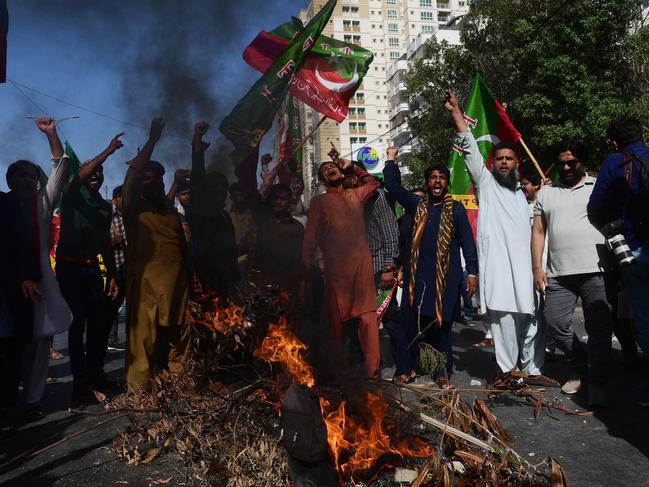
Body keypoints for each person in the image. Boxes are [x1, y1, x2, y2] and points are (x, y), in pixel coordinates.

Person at [444, 91, 557, 386]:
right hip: (500, 271)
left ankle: (532, 370)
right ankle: (508, 372)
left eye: (509, 159)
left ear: (517, 163)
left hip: (528, 270)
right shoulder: (486, 185)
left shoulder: (525, 195)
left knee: (532, 321)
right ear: (493, 163)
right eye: (499, 159)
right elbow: (469, 148)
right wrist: (456, 112)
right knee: (505, 322)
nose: (504, 163)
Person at [384, 147, 478, 387]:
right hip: (418, 275)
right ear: (427, 182)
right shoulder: (416, 204)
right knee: (409, 322)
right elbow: (393, 187)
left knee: (442, 324)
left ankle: (441, 371)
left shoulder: (456, 209)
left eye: (442, 177)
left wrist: (473, 272)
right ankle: (406, 368)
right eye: (433, 177)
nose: (438, 181)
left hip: (447, 277)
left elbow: (467, 242)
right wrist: (391, 160)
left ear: (447, 183)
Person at [0, 118, 73, 422]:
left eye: (32, 176)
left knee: (40, 342)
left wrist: (52, 134)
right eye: (21, 175)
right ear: (9, 180)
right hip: (5, 284)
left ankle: (32, 400)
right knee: (9, 346)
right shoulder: (1, 205)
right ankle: (5, 404)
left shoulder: (42, 204)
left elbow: (60, 169)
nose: (28, 180)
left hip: (41, 281)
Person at [532, 142, 613, 406]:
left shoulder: (599, 187)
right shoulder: (546, 192)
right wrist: (537, 268)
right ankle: (581, 366)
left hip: (596, 269)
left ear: (583, 163)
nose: (566, 167)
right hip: (558, 273)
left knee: (599, 328)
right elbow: (538, 232)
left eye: (572, 162)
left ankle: (598, 382)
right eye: (561, 162)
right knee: (555, 323)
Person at [122, 118, 192, 391]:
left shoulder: (172, 213)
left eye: (156, 178)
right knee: (142, 342)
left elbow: (183, 250)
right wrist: (152, 141)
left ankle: (181, 384)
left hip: (178, 286)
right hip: (145, 289)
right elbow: (133, 174)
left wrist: (191, 277)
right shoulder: (133, 209)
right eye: (146, 179)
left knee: (180, 337)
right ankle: (138, 393)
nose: (151, 182)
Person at [57, 133, 122, 405]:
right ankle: (79, 382)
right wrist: (106, 151)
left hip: (93, 269)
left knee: (99, 323)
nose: (97, 174)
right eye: (93, 170)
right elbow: (77, 176)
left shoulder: (105, 207)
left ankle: (96, 372)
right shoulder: (72, 195)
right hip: (70, 269)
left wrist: (112, 274)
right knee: (76, 325)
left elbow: (105, 244)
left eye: (101, 172)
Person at [303, 148, 380, 378]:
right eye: (325, 170)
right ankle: (341, 374)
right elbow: (310, 238)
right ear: (323, 180)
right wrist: (310, 265)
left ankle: (372, 373)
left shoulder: (355, 195)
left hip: (362, 272)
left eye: (332, 166)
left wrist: (351, 166)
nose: (330, 169)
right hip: (336, 275)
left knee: (368, 324)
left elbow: (374, 183)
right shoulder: (319, 202)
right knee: (337, 329)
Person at [588, 116, 649, 405]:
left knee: (645, 317)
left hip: (636, 250)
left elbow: (596, 207)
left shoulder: (616, 162)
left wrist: (613, 229)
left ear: (615, 141)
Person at [342, 166, 400, 373]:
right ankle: (360, 364)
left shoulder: (377, 198)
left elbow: (391, 233)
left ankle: (402, 365)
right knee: (354, 321)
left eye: (353, 176)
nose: (349, 180)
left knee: (390, 318)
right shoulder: (342, 201)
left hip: (377, 266)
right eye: (345, 177)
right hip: (353, 272)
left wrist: (388, 267)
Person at [190, 121, 239, 296]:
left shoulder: (225, 216)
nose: (220, 192)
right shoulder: (199, 210)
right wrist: (197, 139)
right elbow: (197, 177)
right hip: (205, 282)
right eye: (215, 188)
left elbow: (231, 250)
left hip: (227, 282)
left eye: (223, 189)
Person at [251, 183, 305, 326]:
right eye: (275, 198)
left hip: (288, 284)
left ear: (288, 202)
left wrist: (302, 286)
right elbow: (255, 254)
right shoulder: (262, 224)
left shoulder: (296, 227)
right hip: (265, 283)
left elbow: (301, 258)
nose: (278, 202)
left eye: (282, 199)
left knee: (287, 326)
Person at [105, 185, 127, 351]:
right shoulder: (108, 221)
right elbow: (99, 246)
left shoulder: (137, 219)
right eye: (120, 196)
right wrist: (113, 243)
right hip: (116, 272)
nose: (124, 199)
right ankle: (110, 339)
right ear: (114, 200)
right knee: (112, 308)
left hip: (135, 273)